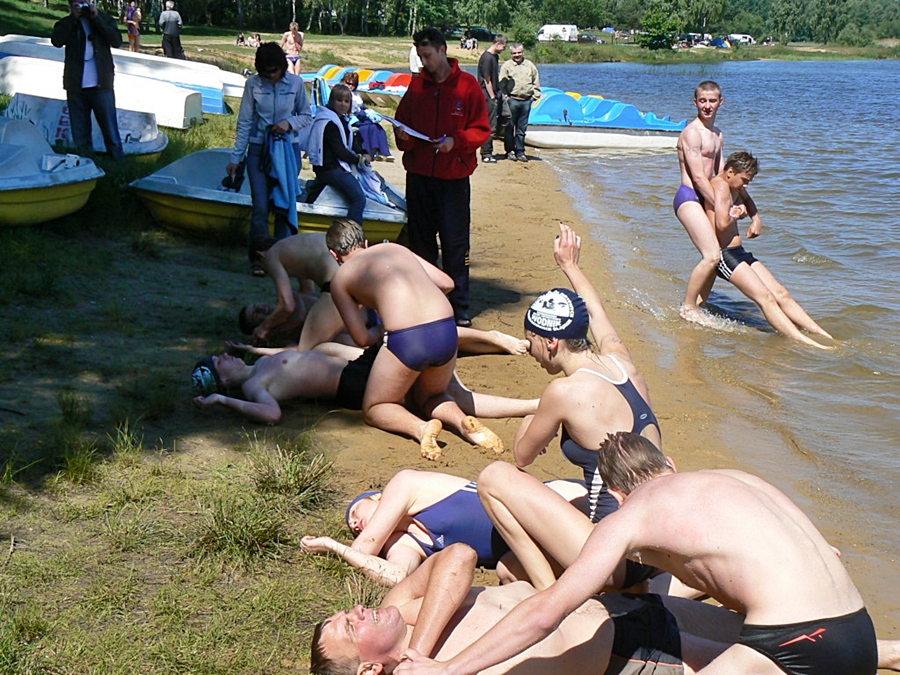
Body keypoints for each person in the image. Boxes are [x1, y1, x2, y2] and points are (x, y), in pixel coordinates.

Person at [395, 433, 895, 675]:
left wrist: (447, 670)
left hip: (792, 643)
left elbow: (548, 610)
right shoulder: (736, 477)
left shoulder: (628, 517)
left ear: (614, 496)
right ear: (670, 464)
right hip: (858, 630)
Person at [310, 544, 801, 675]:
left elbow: (457, 558)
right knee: (792, 662)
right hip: (633, 660)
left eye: (345, 612)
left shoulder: (403, 610)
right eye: (349, 628)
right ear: (370, 669)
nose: (357, 610)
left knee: (779, 630)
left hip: (619, 608)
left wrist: (425, 658)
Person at [515, 223, 661, 522]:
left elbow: (522, 457)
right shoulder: (622, 362)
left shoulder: (563, 392)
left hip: (616, 536)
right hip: (658, 514)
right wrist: (570, 265)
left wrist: (529, 422)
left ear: (551, 342)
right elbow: (595, 312)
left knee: (505, 484)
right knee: (559, 488)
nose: (531, 352)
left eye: (531, 342)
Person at [326, 219, 503, 459]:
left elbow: (361, 339)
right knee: (431, 396)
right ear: (365, 243)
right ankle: (464, 424)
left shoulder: (341, 279)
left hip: (407, 338)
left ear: (334, 254)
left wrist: (384, 326)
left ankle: (421, 428)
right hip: (446, 328)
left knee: (375, 408)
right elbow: (447, 283)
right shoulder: (397, 249)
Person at [301, 470, 582, 585]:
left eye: (356, 511)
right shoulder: (404, 543)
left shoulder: (405, 484)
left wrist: (351, 549)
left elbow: (364, 548)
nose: (354, 524)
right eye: (352, 528)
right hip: (530, 549)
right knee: (507, 572)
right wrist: (332, 545)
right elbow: (397, 577)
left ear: (377, 497)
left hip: (553, 505)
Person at [191, 341, 537, 429]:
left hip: (358, 367)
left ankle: (529, 405)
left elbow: (292, 354)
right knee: (449, 396)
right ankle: (532, 406)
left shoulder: (258, 365)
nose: (225, 356)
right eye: (219, 361)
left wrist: (252, 349)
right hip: (353, 385)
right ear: (220, 379)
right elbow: (271, 415)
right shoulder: (253, 388)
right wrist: (223, 400)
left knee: (420, 340)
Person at [394, 28, 490, 328]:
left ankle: (459, 308)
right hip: (419, 176)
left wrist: (456, 141)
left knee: (455, 244)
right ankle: (426, 304)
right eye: (419, 56)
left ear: (442, 51)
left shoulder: (467, 85)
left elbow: (482, 130)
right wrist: (402, 137)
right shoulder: (416, 86)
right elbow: (402, 128)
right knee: (421, 244)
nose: (423, 62)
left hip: (453, 178)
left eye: (428, 55)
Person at [706, 152, 833, 349]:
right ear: (730, 171)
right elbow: (722, 224)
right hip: (724, 255)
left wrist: (756, 219)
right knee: (764, 298)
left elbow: (747, 200)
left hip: (739, 251)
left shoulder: (733, 184)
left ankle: (822, 334)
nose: (746, 186)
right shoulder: (721, 185)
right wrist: (738, 213)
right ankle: (806, 343)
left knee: (781, 293)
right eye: (745, 180)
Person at [674, 80, 761, 323]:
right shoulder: (691, 133)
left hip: (708, 197)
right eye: (703, 101)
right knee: (712, 255)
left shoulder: (718, 135)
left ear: (721, 102)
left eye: (712, 101)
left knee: (719, 254)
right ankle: (688, 307)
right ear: (695, 102)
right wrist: (725, 207)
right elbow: (700, 178)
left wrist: (747, 206)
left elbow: (723, 176)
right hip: (689, 196)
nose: (707, 106)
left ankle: (700, 304)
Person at [227, 42, 312, 265]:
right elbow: (244, 122)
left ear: (282, 67)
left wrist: (288, 123)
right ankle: (259, 260)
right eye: (266, 72)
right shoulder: (252, 84)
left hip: (286, 150)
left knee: (284, 205)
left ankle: (283, 261)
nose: (271, 76)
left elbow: (306, 115)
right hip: (259, 150)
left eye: (274, 71)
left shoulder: (296, 83)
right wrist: (235, 158)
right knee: (261, 208)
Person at [51, 0, 125, 162]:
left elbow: (116, 41)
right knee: (80, 133)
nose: (82, 6)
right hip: (76, 85)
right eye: (78, 3)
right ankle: (85, 164)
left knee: (111, 131)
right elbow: (57, 41)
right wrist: (73, 18)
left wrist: (96, 18)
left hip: (101, 84)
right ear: (71, 5)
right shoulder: (66, 23)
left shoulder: (104, 19)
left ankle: (119, 167)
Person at [247, 233, 343, 352]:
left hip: (339, 283)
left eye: (261, 267)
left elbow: (287, 306)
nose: (267, 271)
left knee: (307, 351)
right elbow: (308, 292)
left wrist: (264, 327)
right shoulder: (294, 246)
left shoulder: (271, 255)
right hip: (358, 267)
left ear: (260, 255)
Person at [305, 84, 369, 228]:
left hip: (331, 168)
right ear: (332, 101)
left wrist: (363, 152)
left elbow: (351, 144)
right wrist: (358, 160)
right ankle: (352, 233)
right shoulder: (329, 123)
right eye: (339, 100)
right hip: (330, 168)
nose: (343, 104)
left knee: (317, 190)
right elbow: (339, 150)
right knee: (359, 198)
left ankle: (312, 191)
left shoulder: (342, 121)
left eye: (346, 101)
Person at [498, 43, 540, 163]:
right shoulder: (507, 66)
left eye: (519, 52)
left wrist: (535, 96)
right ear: (511, 54)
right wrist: (506, 97)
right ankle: (510, 151)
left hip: (526, 100)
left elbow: (535, 81)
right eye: (514, 53)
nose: (517, 55)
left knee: (522, 129)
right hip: (512, 100)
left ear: (523, 52)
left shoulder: (530, 65)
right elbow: (501, 84)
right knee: (509, 127)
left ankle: (520, 151)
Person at [341, 72, 393, 162]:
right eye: (348, 83)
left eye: (353, 84)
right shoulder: (341, 93)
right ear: (344, 82)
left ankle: (382, 152)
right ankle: (371, 152)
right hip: (350, 118)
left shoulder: (355, 94)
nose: (350, 86)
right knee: (369, 127)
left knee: (377, 127)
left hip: (358, 116)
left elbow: (361, 106)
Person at [476, 34, 508, 163]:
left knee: (506, 117)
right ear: (498, 44)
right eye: (503, 47)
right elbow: (487, 79)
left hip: (496, 93)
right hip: (488, 94)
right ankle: (486, 153)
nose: (504, 50)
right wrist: (492, 96)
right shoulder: (487, 58)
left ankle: (489, 150)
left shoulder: (495, 57)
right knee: (490, 125)